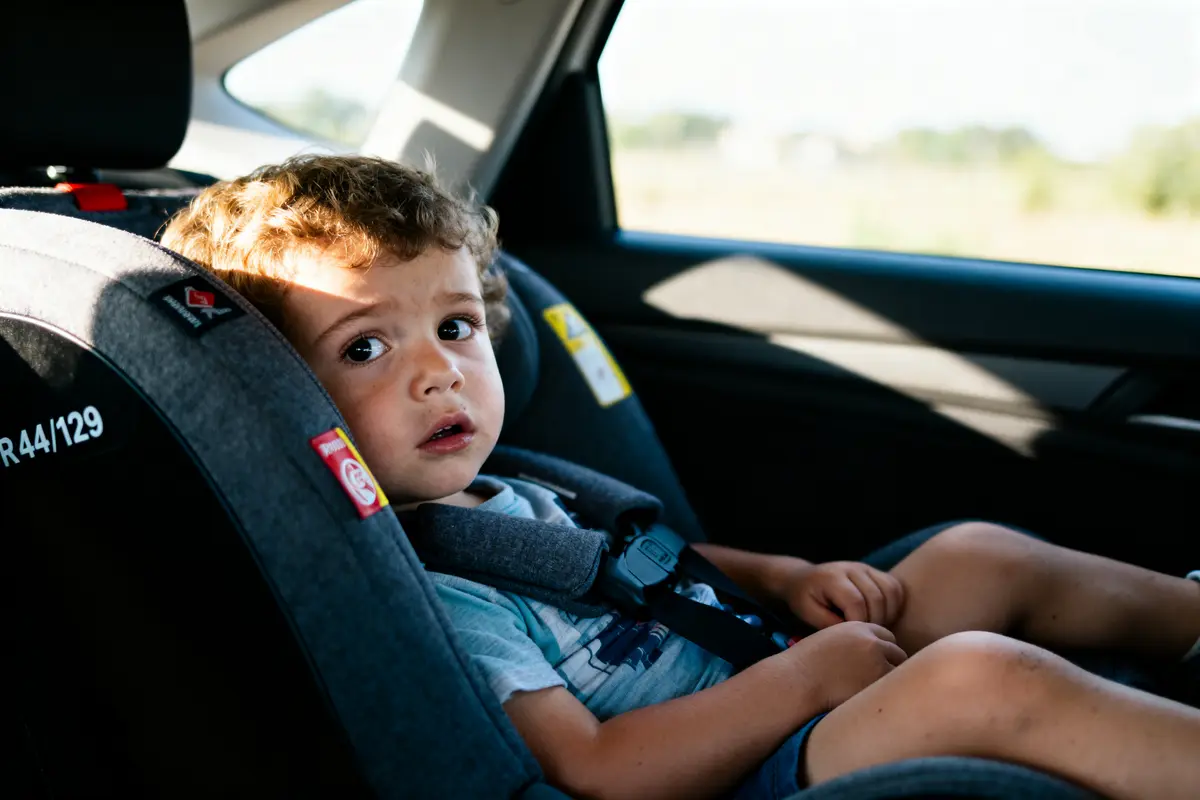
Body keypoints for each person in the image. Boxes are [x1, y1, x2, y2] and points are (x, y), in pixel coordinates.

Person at [162, 153, 1200, 800]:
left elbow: (650, 561)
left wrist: (787, 578)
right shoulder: (432, 590)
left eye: (455, 324)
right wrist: (804, 676)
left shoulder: (514, 489)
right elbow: (593, 771)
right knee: (980, 673)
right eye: (366, 348)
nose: (441, 368)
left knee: (974, 553)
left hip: (771, 660)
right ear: (279, 395)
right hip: (746, 765)